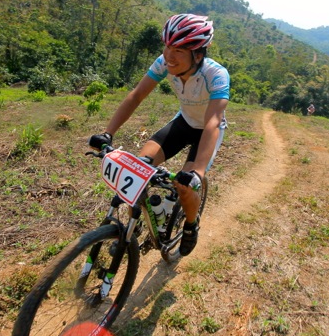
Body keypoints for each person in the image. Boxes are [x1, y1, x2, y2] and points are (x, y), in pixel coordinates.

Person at [89, 13, 230, 256]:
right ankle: (135, 226)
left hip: (207, 131)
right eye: (167, 46)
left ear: (198, 54)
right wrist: (108, 133)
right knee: (139, 166)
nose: (169, 55)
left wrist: (197, 173)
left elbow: (213, 122)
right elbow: (136, 96)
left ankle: (190, 226)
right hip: (183, 122)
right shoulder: (164, 63)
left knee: (186, 186)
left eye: (178, 50)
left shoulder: (216, 75)